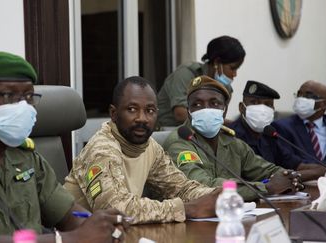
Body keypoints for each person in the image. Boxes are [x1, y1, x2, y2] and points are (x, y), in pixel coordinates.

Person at [0, 51, 128, 242]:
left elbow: (68, 213)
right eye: (10, 96)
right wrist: (64, 240)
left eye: (28, 97)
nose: (23, 106)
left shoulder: (26, 156)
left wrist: (99, 226)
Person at [64, 76, 221, 224]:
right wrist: (188, 209)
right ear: (114, 114)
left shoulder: (150, 147)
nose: (142, 118)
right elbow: (115, 209)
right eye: (132, 109)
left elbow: (180, 188)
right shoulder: (101, 149)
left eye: (150, 110)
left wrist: (215, 197)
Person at [163, 76, 302, 201]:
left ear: (225, 109)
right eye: (197, 105)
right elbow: (203, 185)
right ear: (189, 111)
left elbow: (265, 169)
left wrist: (287, 177)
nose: (206, 109)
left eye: (214, 103)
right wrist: (265, 187)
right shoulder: (180, 141)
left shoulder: (230, 140)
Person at [229, 80, 326, 180]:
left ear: (273, 110)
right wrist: (316, 173)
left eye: (267, 104)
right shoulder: (232, 136)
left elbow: (295, 165)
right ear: (241, 108)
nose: (261, 110)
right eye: (254, 103)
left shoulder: (269, 133)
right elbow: (267, 176)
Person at [157, 35, 245, 127]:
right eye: (232, 68)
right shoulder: (185, 74)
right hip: (168, 130)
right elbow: (180, 114)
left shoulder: (226, 88)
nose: (235, 74)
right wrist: (228, 123)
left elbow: (219, 117)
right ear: (217, 62)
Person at [273, 80, 326, 166]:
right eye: (299, 94)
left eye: (308, 95)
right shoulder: (282, 126)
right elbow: (290, 162)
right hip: (304, 177)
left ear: (323, 104)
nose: (301, 99)